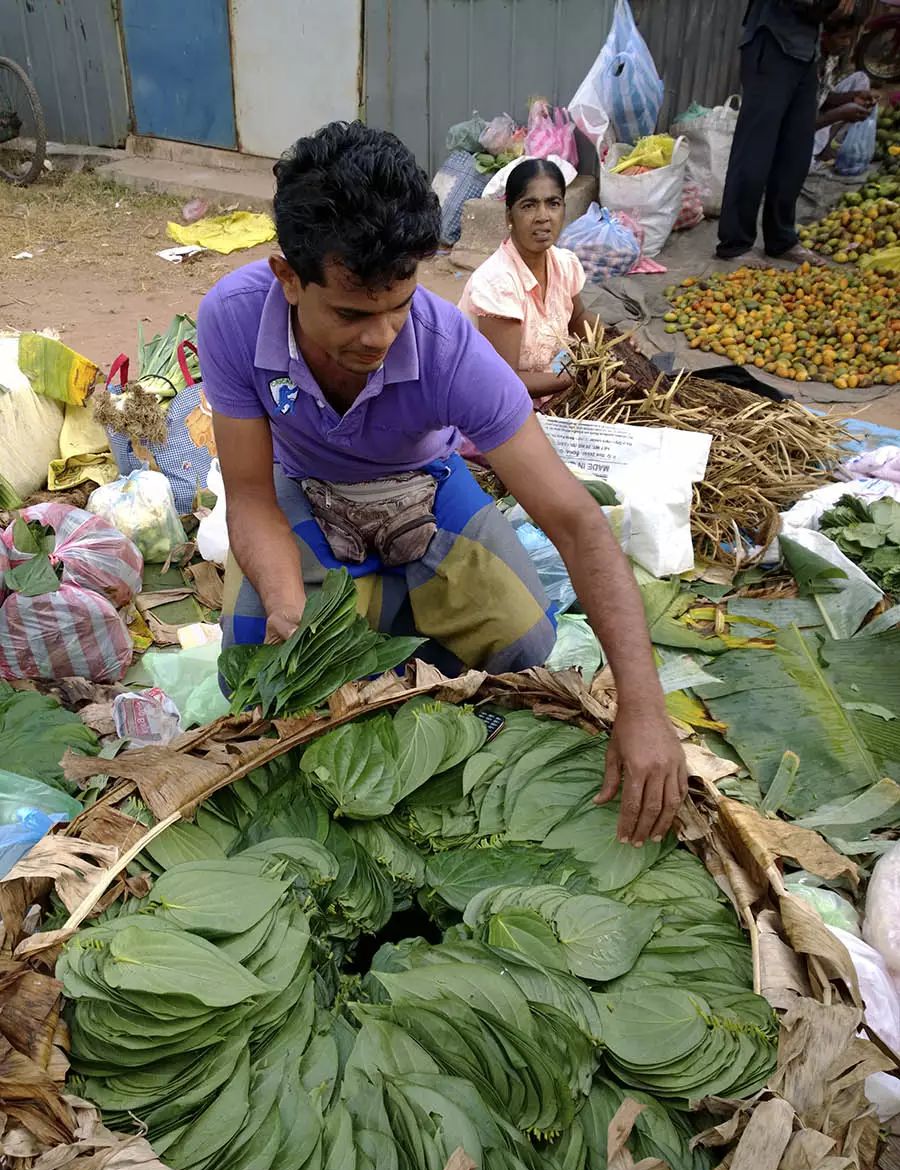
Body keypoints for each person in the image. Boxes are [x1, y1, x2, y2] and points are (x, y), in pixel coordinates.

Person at [197, 121, 686, 846]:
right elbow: (250, 495)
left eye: (399, 305)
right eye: (352, 314)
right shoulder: (234, 320)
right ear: (289, 278)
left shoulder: (451, 350)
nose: (382, 337)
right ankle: (382, 611)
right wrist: (290, 608)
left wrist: (643, 706)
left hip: (421, 481)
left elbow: (578, 523)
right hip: (304, 486)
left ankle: (388, 613)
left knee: (528, 640)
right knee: (257, 666)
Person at [717, 0, 858, 265]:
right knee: (755, 150)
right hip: (772, 43)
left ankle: (781, 239)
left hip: (806, 50)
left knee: (796, 151)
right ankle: (735, 242)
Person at [458, 158, 587, 402]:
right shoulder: (497, 283)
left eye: (553, 204)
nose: (543, 216)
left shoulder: (563, 263)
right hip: (497, 404)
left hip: (551, 382)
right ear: (510, 216)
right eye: (529, 206)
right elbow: (505, 382)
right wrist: (582, 374)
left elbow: (578, 318)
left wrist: (612, 344)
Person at [813, 5, 875, 166]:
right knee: (804, 164)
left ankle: (827, 143)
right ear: (823, 36)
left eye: (850, 38)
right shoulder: (810, 63)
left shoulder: (831, 56)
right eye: (842, 37)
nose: (847, 43)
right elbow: (798, 123)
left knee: (861, 79)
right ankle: (820, 147)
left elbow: (824, 97)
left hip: (817, 110)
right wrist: (839, 114)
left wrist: (854, 96)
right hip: (803, 123)